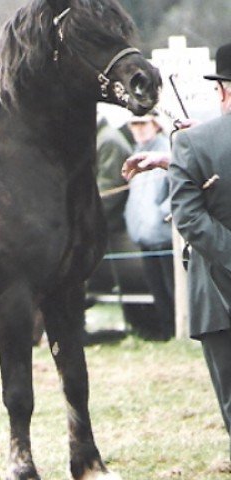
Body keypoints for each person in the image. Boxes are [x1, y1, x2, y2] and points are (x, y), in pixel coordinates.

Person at [122, 42, 231, 471]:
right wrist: (178, 158)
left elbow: (188, 215)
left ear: (224, 89)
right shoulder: (195, 143)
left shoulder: (196, 143)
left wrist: (184, 156)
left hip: (219, 294)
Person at [123, 112, 175, 340]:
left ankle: (178, 332)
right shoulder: (135, 154)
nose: (139, 129)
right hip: (145, 236)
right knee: (158, 291)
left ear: (155, 124)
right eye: (135, 124)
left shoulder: (166, 151)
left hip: (165, 236)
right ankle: (166, 332)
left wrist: (162, 214)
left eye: (143, 123)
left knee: (173, 290)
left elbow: (179, 189)